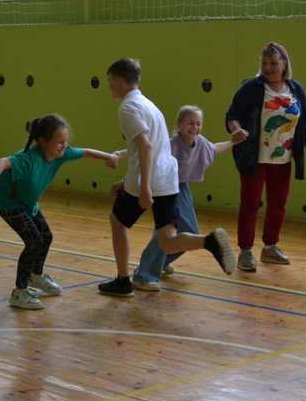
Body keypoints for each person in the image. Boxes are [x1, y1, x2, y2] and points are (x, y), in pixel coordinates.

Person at [99, 58, 237, 298]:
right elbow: (155, 147)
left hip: (148, 180)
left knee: (117, 222)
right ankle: (209, 242)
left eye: (110, 81)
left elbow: (146, 147)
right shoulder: (150, 105)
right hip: (168, 179)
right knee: (167, 240)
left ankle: (123, 281)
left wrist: (143, 187)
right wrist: (128, 180)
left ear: (118, 80)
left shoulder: (128, 107)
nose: (109, 85)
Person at [0, 114, 119, 310]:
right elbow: (1, 162)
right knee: (34, 241)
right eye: (59, 142)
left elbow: (85, 152)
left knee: (46, 236)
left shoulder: (60, 154)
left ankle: (36, 276)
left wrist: (109, 157)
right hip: (6, 201)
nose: (64, 146)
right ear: (43, 141)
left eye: (66, 141)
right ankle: (19, 292)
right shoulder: (29, 159)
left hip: (27, 202)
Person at [225, 42, 306, 272]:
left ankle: (269, 248)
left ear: (284, 65)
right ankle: (245, 252)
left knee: (278, 205)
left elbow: (305, 124)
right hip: (253, 157)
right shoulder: (252, 87)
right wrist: (236, 129)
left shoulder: (296, 89)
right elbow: (232, 114)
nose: (268, 68)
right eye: (264, 63)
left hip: (283, 159)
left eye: (273, 63)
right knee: (250, 203)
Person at [123, 105, 237, 291]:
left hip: (181, 188)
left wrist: (233, 142)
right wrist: (126, 180)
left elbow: (214, 149)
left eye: (198, 123)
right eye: (190, 122)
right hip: (163, 187)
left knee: (186, 231)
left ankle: (157, 263)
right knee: (167, 234)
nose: (195, 127)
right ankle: (143, 274)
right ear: (179, 125)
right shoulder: (170, 145)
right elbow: (147, 159)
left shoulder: (200, 143)